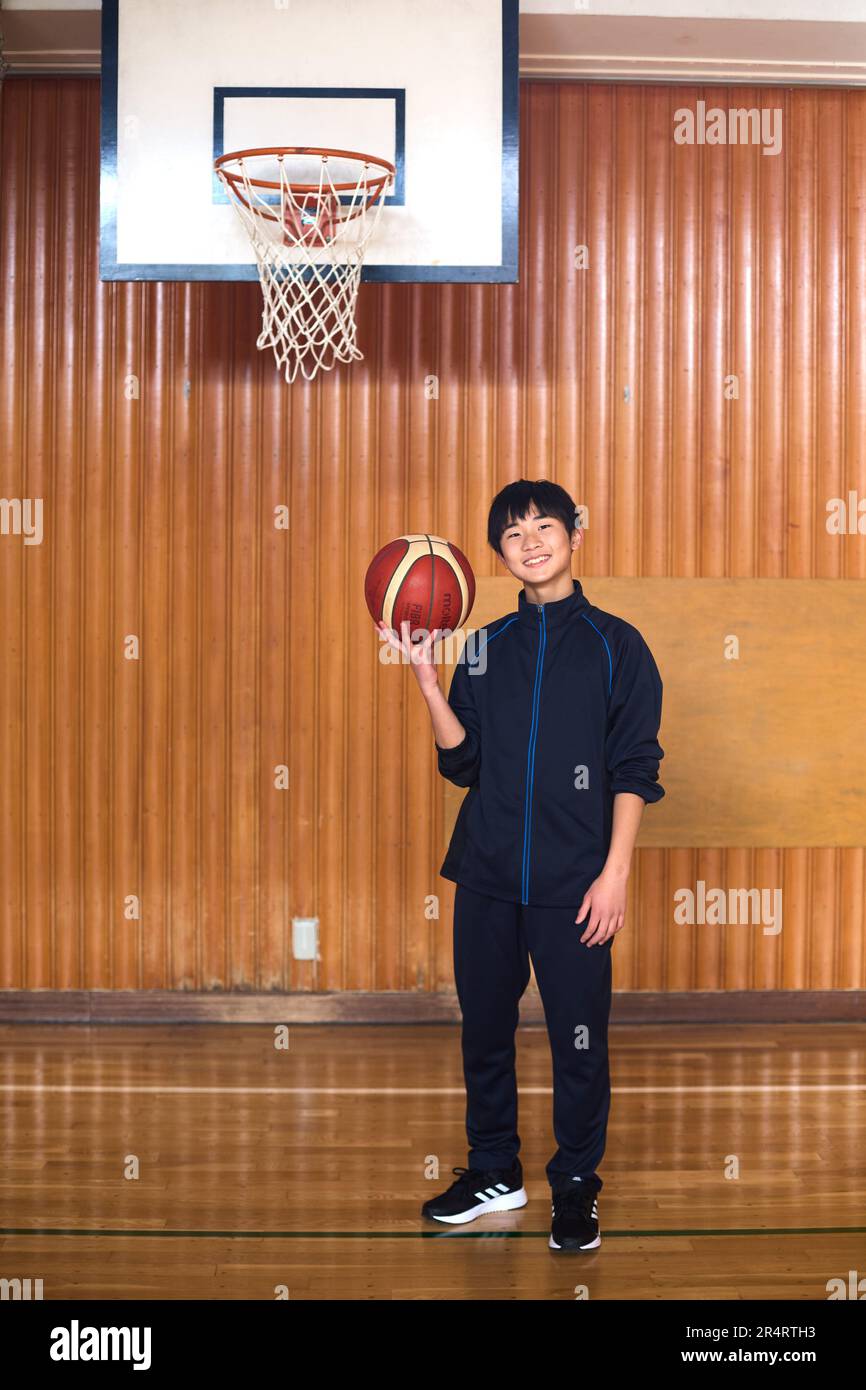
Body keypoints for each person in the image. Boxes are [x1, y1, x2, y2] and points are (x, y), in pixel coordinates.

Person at [378, 479, 665, 1252]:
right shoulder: (486, 648)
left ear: (574, 535)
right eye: (513, 533)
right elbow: (463, 764)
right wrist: (429, 683)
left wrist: (616, 874)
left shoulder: (618, 645)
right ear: (498, 554)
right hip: (488, 874)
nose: (531, 540)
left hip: (577, 885)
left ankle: (575, 1186)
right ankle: (493, 1170)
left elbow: (637, 769)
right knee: (485, 1033)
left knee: (579, 1038)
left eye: (544, 525)